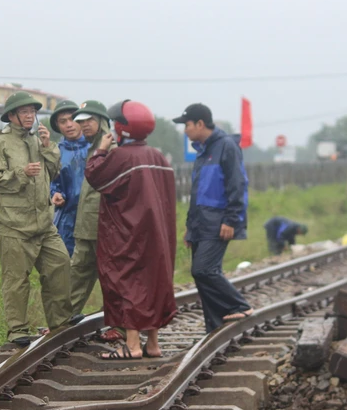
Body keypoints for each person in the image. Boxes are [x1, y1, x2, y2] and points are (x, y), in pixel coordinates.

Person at [85, 100, 178, 360]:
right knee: (152, 283)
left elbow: (94, 176)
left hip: (128, 234)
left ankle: (132, 345)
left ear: (120, 127)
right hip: (158, 234)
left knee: (127, 283)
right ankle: (153, 344)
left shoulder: (122, 157)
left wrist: (101, 151)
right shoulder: (158, 157)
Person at [0, 92, 75, 348]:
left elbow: (54, 171)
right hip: (15, 224)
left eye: (32, 112)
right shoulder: (0, 144)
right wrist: (21, 173)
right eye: (24, 112)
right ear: (12, 116)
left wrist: (48, 146)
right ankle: (17, 330)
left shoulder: (37, 140)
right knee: (16, 279)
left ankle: (60, 322)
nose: (29, 116)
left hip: (44, 223)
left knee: (60, 265)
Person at [173, 103, 253, 333]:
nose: (184, 130)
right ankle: (215, 326)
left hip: (219, 222)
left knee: (204, 270)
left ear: (200, 123)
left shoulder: (226, 146)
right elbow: (198, 193)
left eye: (186, 125)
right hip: (201, 223)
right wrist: (190, 227)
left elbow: (237, 185)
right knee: (200, 276)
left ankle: (239, 305)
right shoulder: (202, 151)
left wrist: (231, 219)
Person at [67, 100, 114, 316]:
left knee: (110, 275)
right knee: (77, 273)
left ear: (102, 121)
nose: (84, 125)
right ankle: (63, 321)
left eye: (89, 120)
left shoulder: (111, 150)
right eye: (81, 121)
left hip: (103, 227)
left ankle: (118, 324)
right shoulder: (94, 148)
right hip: (86, 227)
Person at [47, 99, 88, 256]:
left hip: (94, 214)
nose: (69, 125)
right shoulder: (56, 152)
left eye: (73, 119)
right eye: (63, 121)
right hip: (67, 218)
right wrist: (55, 194)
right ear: (58, 126)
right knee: (66, 263)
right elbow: (53, 182)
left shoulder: (95, 147)